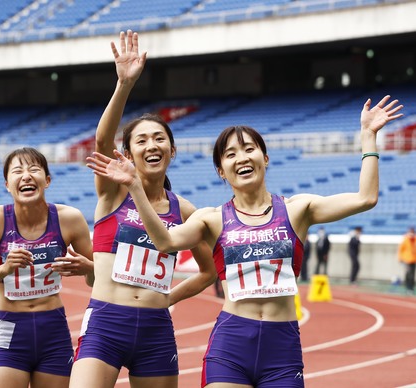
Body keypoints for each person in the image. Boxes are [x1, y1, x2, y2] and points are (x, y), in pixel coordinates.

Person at [87, 95, 403, 387]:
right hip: (231, 345)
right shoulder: (211, 219)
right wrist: (136, 187)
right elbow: (167, 242)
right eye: (230, 153)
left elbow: (366, 198)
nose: (242, 157)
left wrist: (368, 136)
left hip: (283, 348)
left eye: (249, 148)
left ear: (264, 158)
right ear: (221, 171)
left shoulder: (298, 209)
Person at [69, 30, 217, 388]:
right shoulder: (113, 193)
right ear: (129, 153)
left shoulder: (185, 210)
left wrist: (169, 298)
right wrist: (124, 85)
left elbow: (209, 271)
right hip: (106, 322)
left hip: (156, 330)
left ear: (171, 150)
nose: (152, 145)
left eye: (159, 138)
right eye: (141, 140)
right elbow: (102, 141)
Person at [0, 147, 94, 388]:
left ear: (47, 180)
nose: (26, 176)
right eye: (17, 171)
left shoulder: (70, 219)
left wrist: (89, 267)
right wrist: (3, 269)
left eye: (34, 169)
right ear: (7, 184)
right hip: (9, 327)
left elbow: (99, 281)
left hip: (53, 329)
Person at [398, 226, 416, 294]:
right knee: (408, 274)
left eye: (412, 232)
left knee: (412, 275)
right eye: (410, 232)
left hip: (414, 260)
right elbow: (401, 250)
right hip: (407, 260)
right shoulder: (405, 240)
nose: (411, 233)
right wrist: (400, 258)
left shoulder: (415, 240)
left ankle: (411, 288)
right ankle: (407, 287)